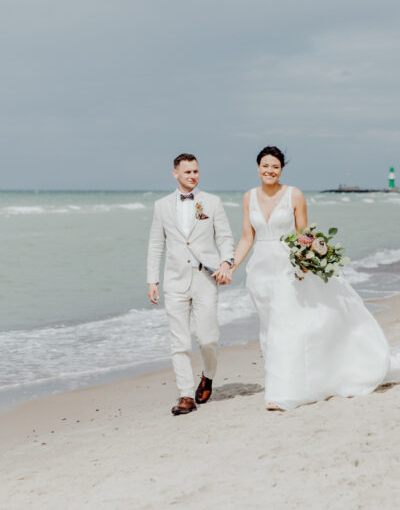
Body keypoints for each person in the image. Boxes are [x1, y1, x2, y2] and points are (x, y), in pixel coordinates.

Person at [230, 146, 400, 411]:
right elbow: (246, 238)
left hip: (289, 267)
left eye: (275, 166)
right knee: (269, 329)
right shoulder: (248, 197)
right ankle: (288, 380)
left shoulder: (294, 194)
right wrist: (230, 265)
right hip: (260, 273)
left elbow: (303, 234)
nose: (269, 170)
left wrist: (309, 258)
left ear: (281, 169)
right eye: (265, 165)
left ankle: (282, 393)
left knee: (285, 327)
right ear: (257, 167)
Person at [147, 153, 234, 415]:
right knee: (179, 342)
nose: (193, 176)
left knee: (208, 338)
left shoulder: (212, 202)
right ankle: (186, 395)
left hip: (206, 278)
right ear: (175, 173)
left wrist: (226, 262)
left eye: (196, 171)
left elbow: (226, 237)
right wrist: (152, 279)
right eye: (187, 172)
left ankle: (208, 375)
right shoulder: (161, 206)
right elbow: (155, 244)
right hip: (175, 282)